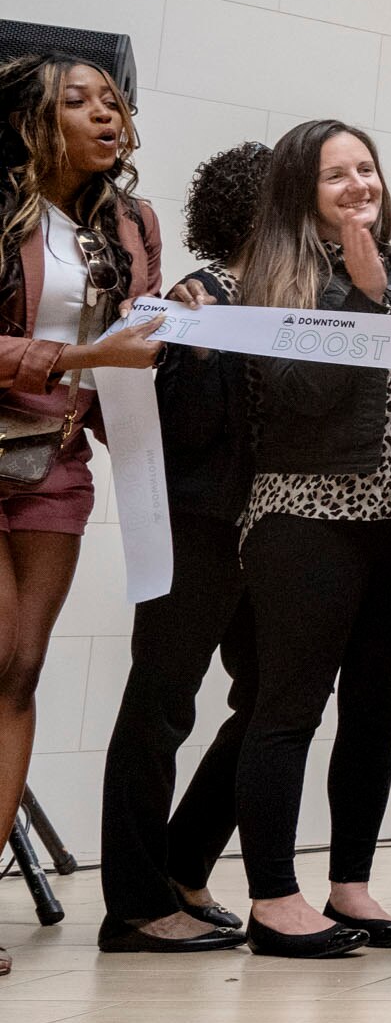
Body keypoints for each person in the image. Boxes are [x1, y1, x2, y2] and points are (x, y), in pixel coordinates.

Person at [231, 120, 391, 959]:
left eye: (366, 168)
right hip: (305, 523)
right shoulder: (274, 279)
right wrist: (360, 299)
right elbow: (301, 397)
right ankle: (273, 898)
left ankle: (349, 884)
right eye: (335, 176)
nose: (359, 185)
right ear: (300, 193)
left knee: (376, 714)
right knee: (286, 711)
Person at [0, 53, 162, 977]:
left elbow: (125, 358)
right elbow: (82, 353)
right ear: (33, 119)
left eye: (114, 102)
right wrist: (66, 362)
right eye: (79, 102)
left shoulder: (131, 224)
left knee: (20, 672)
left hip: (55, 462)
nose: (106, 115)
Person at [96, 141, 266, 955]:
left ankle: (185, 863)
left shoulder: (300, 300)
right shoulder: (202, 296)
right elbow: (185, 430)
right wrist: (200, 356)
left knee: (272, 702)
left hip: (267, 532)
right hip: (197, 527)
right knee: (161, 704)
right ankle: (132, 905)